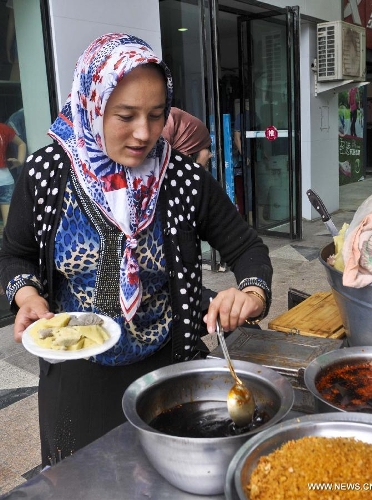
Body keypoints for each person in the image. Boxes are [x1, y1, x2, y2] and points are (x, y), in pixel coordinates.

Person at [0, 33, 272, 467]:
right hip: (75, 369)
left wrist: (253, 293)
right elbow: (13, 254)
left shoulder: (180, 177)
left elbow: (246, 247)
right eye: (125, 115)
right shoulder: (47, 174)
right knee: (80, 481)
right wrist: (27, 295)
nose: (144, 133)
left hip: (164, 369)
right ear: (92, 103)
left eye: (157, 115)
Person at [0, 122, 26, 226]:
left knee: (10, 223)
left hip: (5, 181)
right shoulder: (3, 128)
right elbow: (21, 144)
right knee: (9, 224)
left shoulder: (3, 128)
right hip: (5, 179)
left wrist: (20, 161)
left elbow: (21, 144)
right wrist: (19, 161)